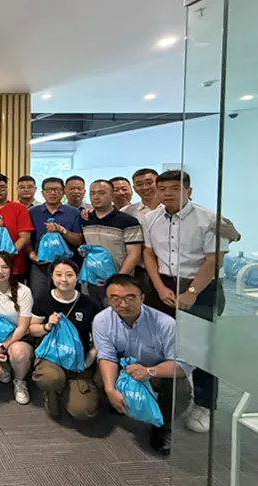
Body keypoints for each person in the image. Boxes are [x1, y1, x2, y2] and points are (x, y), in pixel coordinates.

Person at [142, 170, 222, 434]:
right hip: (164, 283)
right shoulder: (151, 218)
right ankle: (164, 396)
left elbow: (214, 260)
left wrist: (192, 292)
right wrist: (158, 287)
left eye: (175, 188)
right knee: (162, 341)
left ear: (188, 191)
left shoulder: (209, 219)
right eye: (162, 188)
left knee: (200, 348)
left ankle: (204, 404)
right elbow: (149, 253)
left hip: (201, 286)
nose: (167, 193)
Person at [93, 274, 192, 455]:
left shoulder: (165, 324)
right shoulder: (102, 320)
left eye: (130, 297)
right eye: (115, 298)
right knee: (101, 377)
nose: (123, 304)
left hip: (155, 370)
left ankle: (161, 426)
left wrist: (150, 371)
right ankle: (118, 403)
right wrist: (110, 389)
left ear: (142, 298)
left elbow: (183, 365)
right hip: (124, 369)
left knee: (180, 390)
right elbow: (107, 356)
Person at [29, 258, 102, 419]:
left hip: (79, 360)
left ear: (77, 276)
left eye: (69, 275)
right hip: (52, 356)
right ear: (52, 277)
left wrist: (89, 359)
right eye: (58, 274)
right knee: (49, 378)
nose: (64, 279)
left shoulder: (88, 304)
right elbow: (32, 329)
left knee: (83, 410)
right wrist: (47, 326)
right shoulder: (43, 300)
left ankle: (69, 388)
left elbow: (100, 337)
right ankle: (52, 392)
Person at [0, 251, 34, 404]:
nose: (0, 271)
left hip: (17, 339)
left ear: (11, 269)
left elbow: (23, 326)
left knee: (18, 352)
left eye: (4, 267)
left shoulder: (24, 291)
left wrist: (4, 345)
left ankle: (20, 381)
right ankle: (6, 370)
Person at [81, 180, 143, 303]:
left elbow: (134, 255)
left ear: (112, 195)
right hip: (91, 280)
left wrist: (116, 280)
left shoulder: (128, 221)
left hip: (119, 282)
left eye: (101, 193)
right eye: (92, 193)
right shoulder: (86, 219)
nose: (96, 197)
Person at [27, 177, 83, 299]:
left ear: (63, 192)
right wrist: (32, 255)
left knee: (67, 298)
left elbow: (78, 241)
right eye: (48, 190)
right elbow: (27, 238)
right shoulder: (33, 212)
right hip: (40, 266)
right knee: (38, 297)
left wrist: (61, 230)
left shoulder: (73, 213)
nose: (52, 193)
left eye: (57, 190)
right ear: (42, 193)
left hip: (67, 266)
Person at [121, 168, 160, 295]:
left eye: (149, 182)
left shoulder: (171, 208)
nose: (145, 187)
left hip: (170, 270)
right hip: (141, 270)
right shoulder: (126, 212)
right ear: (134, 188)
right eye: (139, 184)